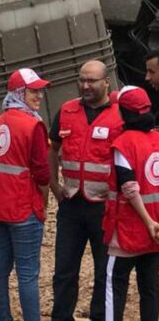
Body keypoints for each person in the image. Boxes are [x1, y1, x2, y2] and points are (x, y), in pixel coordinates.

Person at [48, 59, 121, 321]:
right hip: (71, 205)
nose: (85, 85)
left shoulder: (119, 116)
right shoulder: (67, 111)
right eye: (82, 80)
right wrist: (55, 185)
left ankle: (99, 316)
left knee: (104, 272)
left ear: (106, 82)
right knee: (64, 271)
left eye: (91, 80)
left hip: (103, 208)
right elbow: (52, 148)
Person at [0, 68, 52, 321]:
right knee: (27, 274)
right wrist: (44, 198)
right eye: (33, 91)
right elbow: (42, 173)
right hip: (23, 207)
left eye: (40, 90)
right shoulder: (33, 125)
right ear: (20, 93)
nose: (39, 96)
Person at [102, 86, 159, 321]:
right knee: (150, 288)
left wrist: (147, 221)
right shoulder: (157, 139)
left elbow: (129, 187)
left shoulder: (123, 144)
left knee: (114, 284)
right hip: (155, 232)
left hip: (128, 230)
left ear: (124, 112)